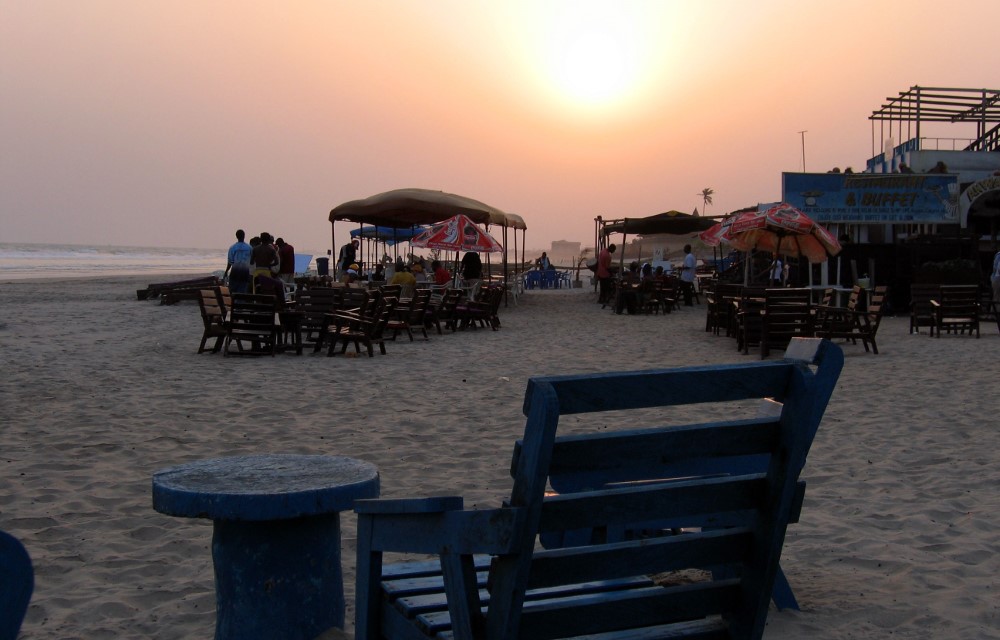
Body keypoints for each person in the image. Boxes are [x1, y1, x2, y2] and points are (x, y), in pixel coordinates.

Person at [224, 229, 253, 294]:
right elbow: (252, 261)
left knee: (233, 290)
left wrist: (226, 271)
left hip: (235, 272)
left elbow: (230, 261)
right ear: (244, 236)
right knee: (242, 290)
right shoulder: (249, 248)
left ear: (236, 236)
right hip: (245, 272)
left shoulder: (233, 247)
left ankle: (234, 303)